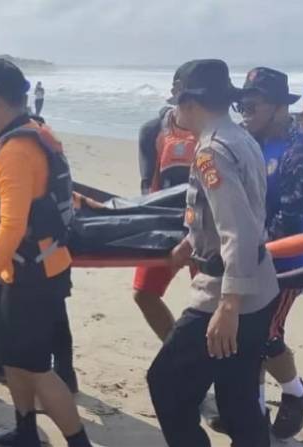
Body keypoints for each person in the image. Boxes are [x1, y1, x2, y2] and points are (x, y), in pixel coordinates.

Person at [0, 58, 92, 447]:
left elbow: (13, 226)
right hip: (22, 270)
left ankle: (79, 442)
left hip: (32, 276)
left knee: (37, 370)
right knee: (12, 359)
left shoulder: (16, 151)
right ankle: (25, 431)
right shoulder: (32, 133)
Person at [146, 59, 280, 447]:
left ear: (190, 103)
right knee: (238, 400)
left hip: (227, 291)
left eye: (177, 101)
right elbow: (243, 210)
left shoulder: (212, 151)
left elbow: (237, 228)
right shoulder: (240, 138)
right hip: (259, 284)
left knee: (166, 382)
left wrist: (228, 306)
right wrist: (192, 242)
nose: (175, 111)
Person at [234, 67, 303, 439]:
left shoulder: (301, 153)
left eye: (252, 105)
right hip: (250, 253)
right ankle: (255, 411)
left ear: (279, 107)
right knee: (247, 336)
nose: (245, 113)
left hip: (288, 263)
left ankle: (296, 394)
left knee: (265, 336)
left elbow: (290, 220)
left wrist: (242, 251)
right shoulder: (249, 141)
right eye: (241, 105)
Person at [132, 63, 199, 341]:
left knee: (209, 302)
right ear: (175, 90)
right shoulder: (153, 130)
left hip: (206, 229)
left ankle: (210, 360)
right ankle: (176, 350)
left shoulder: (214, 132)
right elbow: (148, 186)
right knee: (144, 293)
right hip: (166, 226)